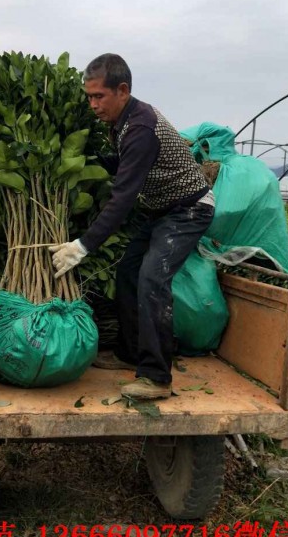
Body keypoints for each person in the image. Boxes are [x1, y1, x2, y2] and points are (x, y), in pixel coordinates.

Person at [49, 54, 215, 400]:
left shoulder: (139, 126)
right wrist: (87, 161)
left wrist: (82, 246)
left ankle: (156, 377)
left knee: (153, 279)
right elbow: (124, 162)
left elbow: (122, 198)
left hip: (188, 210)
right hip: (162, 211)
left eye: (99, 96)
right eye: (89, 97)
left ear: (122, 90)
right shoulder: (123, 121)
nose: (93, 105)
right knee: (128, 271)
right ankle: (130, 352)